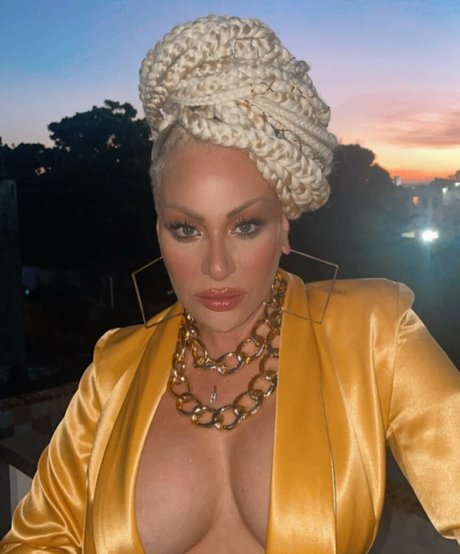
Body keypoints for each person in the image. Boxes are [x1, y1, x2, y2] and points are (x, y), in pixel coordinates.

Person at [1, 15, 460, 554]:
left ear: (283, 224)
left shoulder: (376, 334)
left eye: (245, 226)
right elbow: (38, 539)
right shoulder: (114, 369)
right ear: (159, 230)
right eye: (186, 229)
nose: (216, 267)